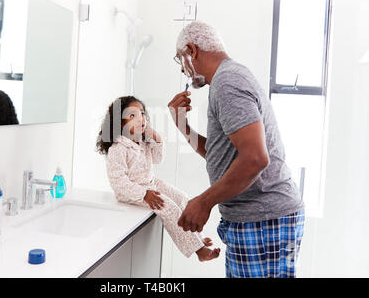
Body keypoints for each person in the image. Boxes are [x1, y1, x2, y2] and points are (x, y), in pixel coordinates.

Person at [169, 21, 305, 277]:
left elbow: (255, 159)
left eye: (181, 59)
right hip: (262, 220)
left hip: (263, 221)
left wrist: (204, 202)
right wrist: (182, 125)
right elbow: (222, 155)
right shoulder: (228, 78)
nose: (184, 71)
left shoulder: (226, 82)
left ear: (191, 51)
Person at [96, 96, 220, 261]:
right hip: (133, 191)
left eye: (141, 113)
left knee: (181, 197)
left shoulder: (142, 141)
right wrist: (144, 194)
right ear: (120, 122)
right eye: (132, 116)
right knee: (168, 207)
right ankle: (198, 251)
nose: (140, 118)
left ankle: (197, 238)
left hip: (151, 183)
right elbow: (118, 183)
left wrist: (156, 139)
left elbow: (157, 159)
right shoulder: (118, 148)